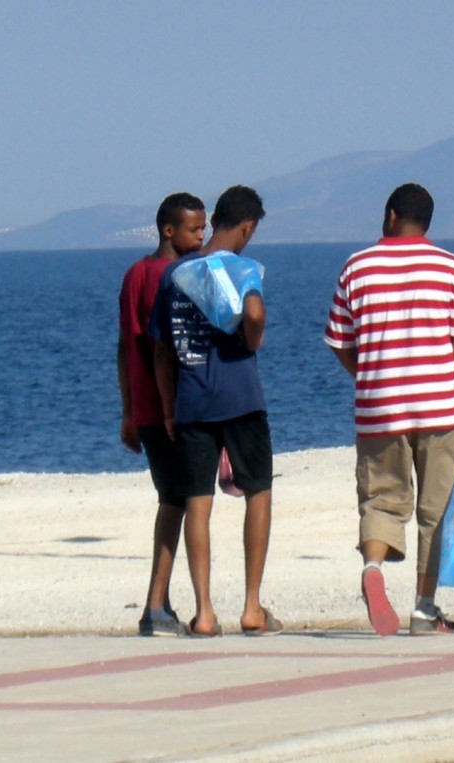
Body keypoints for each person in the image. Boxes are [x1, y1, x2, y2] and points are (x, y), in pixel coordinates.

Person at [324, 183, 454, 637]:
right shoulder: (452, 268)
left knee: (381, 500)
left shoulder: (357, 267)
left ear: (391, 215)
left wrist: (370, 375)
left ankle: (373, 569)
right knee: (435, 510)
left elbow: (339, 340)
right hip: (440, 409)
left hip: (379, 408)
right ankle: (423, 608)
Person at [149, 185, 281, 638]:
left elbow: (161, 350)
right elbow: (256, 313)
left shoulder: (174, 275)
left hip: (192, 402)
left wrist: (168, 408)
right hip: (242, 399)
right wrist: (253, 337)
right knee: (258, 493)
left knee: (197, 504)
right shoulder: (242, 267)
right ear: (247, 228)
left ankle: (204, 611)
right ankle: (251, 606)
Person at [117, 192, 206, 637]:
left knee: (173, 499)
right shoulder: (171, 275)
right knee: (179, 501)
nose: (202, 235)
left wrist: (129, 410)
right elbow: (164, 347)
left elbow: (122, 348)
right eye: (194, 229)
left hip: (148, 410)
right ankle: (156, 603)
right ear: (169, 231)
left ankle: (162, 600)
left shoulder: (134, 273)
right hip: (172, 410)